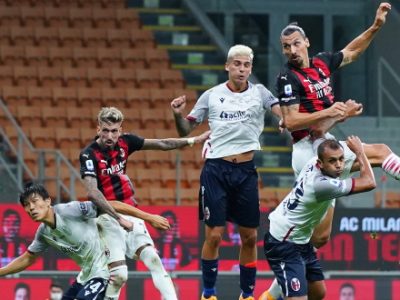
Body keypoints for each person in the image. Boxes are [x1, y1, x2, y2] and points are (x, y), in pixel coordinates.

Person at [260, 3, 396, 299]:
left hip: (323, 142)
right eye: (286, 47)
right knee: (380, 151)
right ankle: (282, 275)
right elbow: (292, 120)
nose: (291, 50)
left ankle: (271, 294)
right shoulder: (287, 78)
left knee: (319, 237)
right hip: (308, 151)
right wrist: (333, 112)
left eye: (296, 43)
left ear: (306, 42)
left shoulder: (321, 63)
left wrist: (375, 27)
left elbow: (352, 52)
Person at [170, 44, 283, 300]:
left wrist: (284, 120)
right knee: (214, 235)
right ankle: (208, 294)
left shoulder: (261, 93)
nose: (242, 69)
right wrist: (178, 115)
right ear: (227, 66)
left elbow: (281, 112)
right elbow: (184, 131)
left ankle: (247, 295)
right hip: (216, 170)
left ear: (250, 68)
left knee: (250, 237)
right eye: (237, 64)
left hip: (245, 170)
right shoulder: (211, 95)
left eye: (246, 65)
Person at [79, 106, 210, 300]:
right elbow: (93, 193)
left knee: (154, 259)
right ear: (98, 130)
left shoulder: (126, 142)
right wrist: (120, 219)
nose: (109, 135)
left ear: (120, 130)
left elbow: (163, 143)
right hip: (106, 217)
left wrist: (194, 140)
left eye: (114, 131)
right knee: (119, 276)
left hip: (130, 211)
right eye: (105, 130)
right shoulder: (89, 154)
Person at [263, 136, 376, 300]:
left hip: (301, 240)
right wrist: (359, 152)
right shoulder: (321, 185)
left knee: (318, 293)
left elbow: (320, 142)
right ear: (321, 163)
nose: (338, 165)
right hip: (283, 242)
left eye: (341, 159)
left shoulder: (313, 161)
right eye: (332, 161)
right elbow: (370, 182)